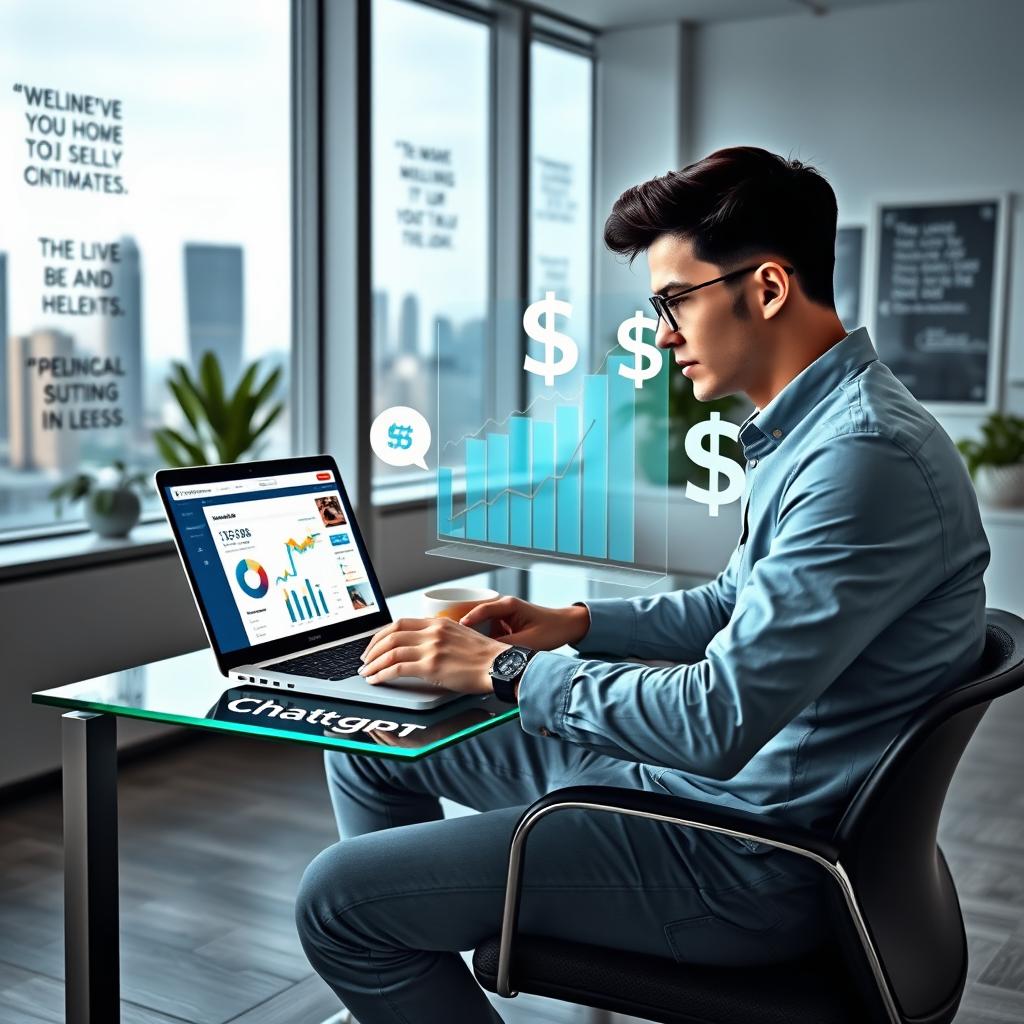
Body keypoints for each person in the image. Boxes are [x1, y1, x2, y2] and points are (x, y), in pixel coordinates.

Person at [295, 146, 990, 1024]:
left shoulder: (861, 458)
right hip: (683, 795)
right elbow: (728, 608)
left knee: (337, 902)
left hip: (737, 857)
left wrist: (500, 672)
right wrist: (569, 624)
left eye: (674, 300)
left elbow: (715, 721)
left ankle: (399, 943)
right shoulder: (823, 434)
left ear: (767, 288)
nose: (661, 333)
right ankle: (417, 962)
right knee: (366, 733)